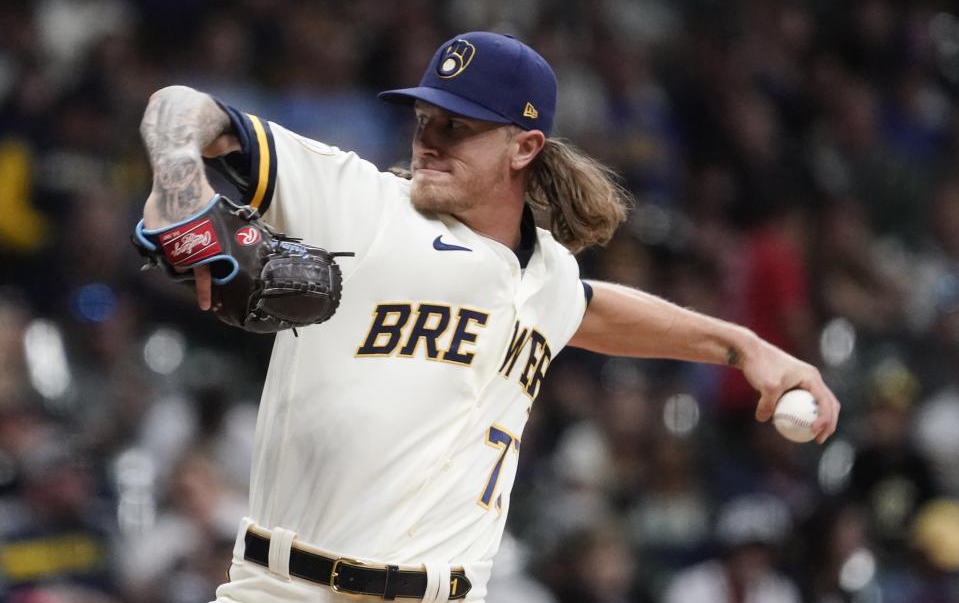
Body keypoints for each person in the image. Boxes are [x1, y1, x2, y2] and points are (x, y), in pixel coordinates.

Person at [138, 31, 840, 603]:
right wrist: (178, 185)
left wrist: (742, 345)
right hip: (291, 589)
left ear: (524, 147)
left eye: (457, 126)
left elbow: (591, 309)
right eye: (423, 120)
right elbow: (180, 108)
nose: (428, 139)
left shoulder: (548, 278)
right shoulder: (359, 201)